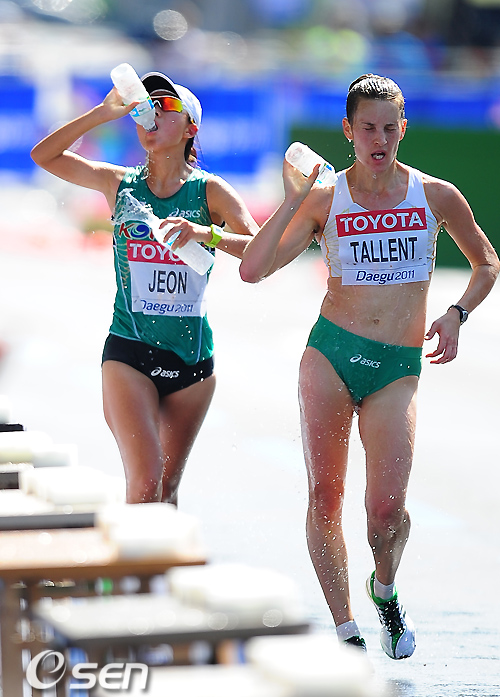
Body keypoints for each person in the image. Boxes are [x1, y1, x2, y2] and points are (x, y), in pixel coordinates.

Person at [239, 74, 499, 659]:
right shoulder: (325, 199)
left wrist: (457, 313)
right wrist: (294, 198)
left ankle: (384, 589)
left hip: (396, 368)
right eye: (367, 128)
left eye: (388, 128)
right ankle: (345, 630)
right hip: (330, 356)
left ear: (403, 129)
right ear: (348, 131)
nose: (379, 140)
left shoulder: (436, 196)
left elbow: (487, 263)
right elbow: (254, 269)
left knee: (385, 512)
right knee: (325, 497)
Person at [31, 71, 258, 505]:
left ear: (190, 128)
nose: (151, 116)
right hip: (129, 353)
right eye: (145, 108)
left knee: (167, 491)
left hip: (193, 363)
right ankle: (126, 552)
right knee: (145, 482)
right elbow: (44, 156)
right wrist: (103, 113)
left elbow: (260, 254)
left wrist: (205, 234)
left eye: (166, 107)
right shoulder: (120, 184)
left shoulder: (210, 192)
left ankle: (156, 551)